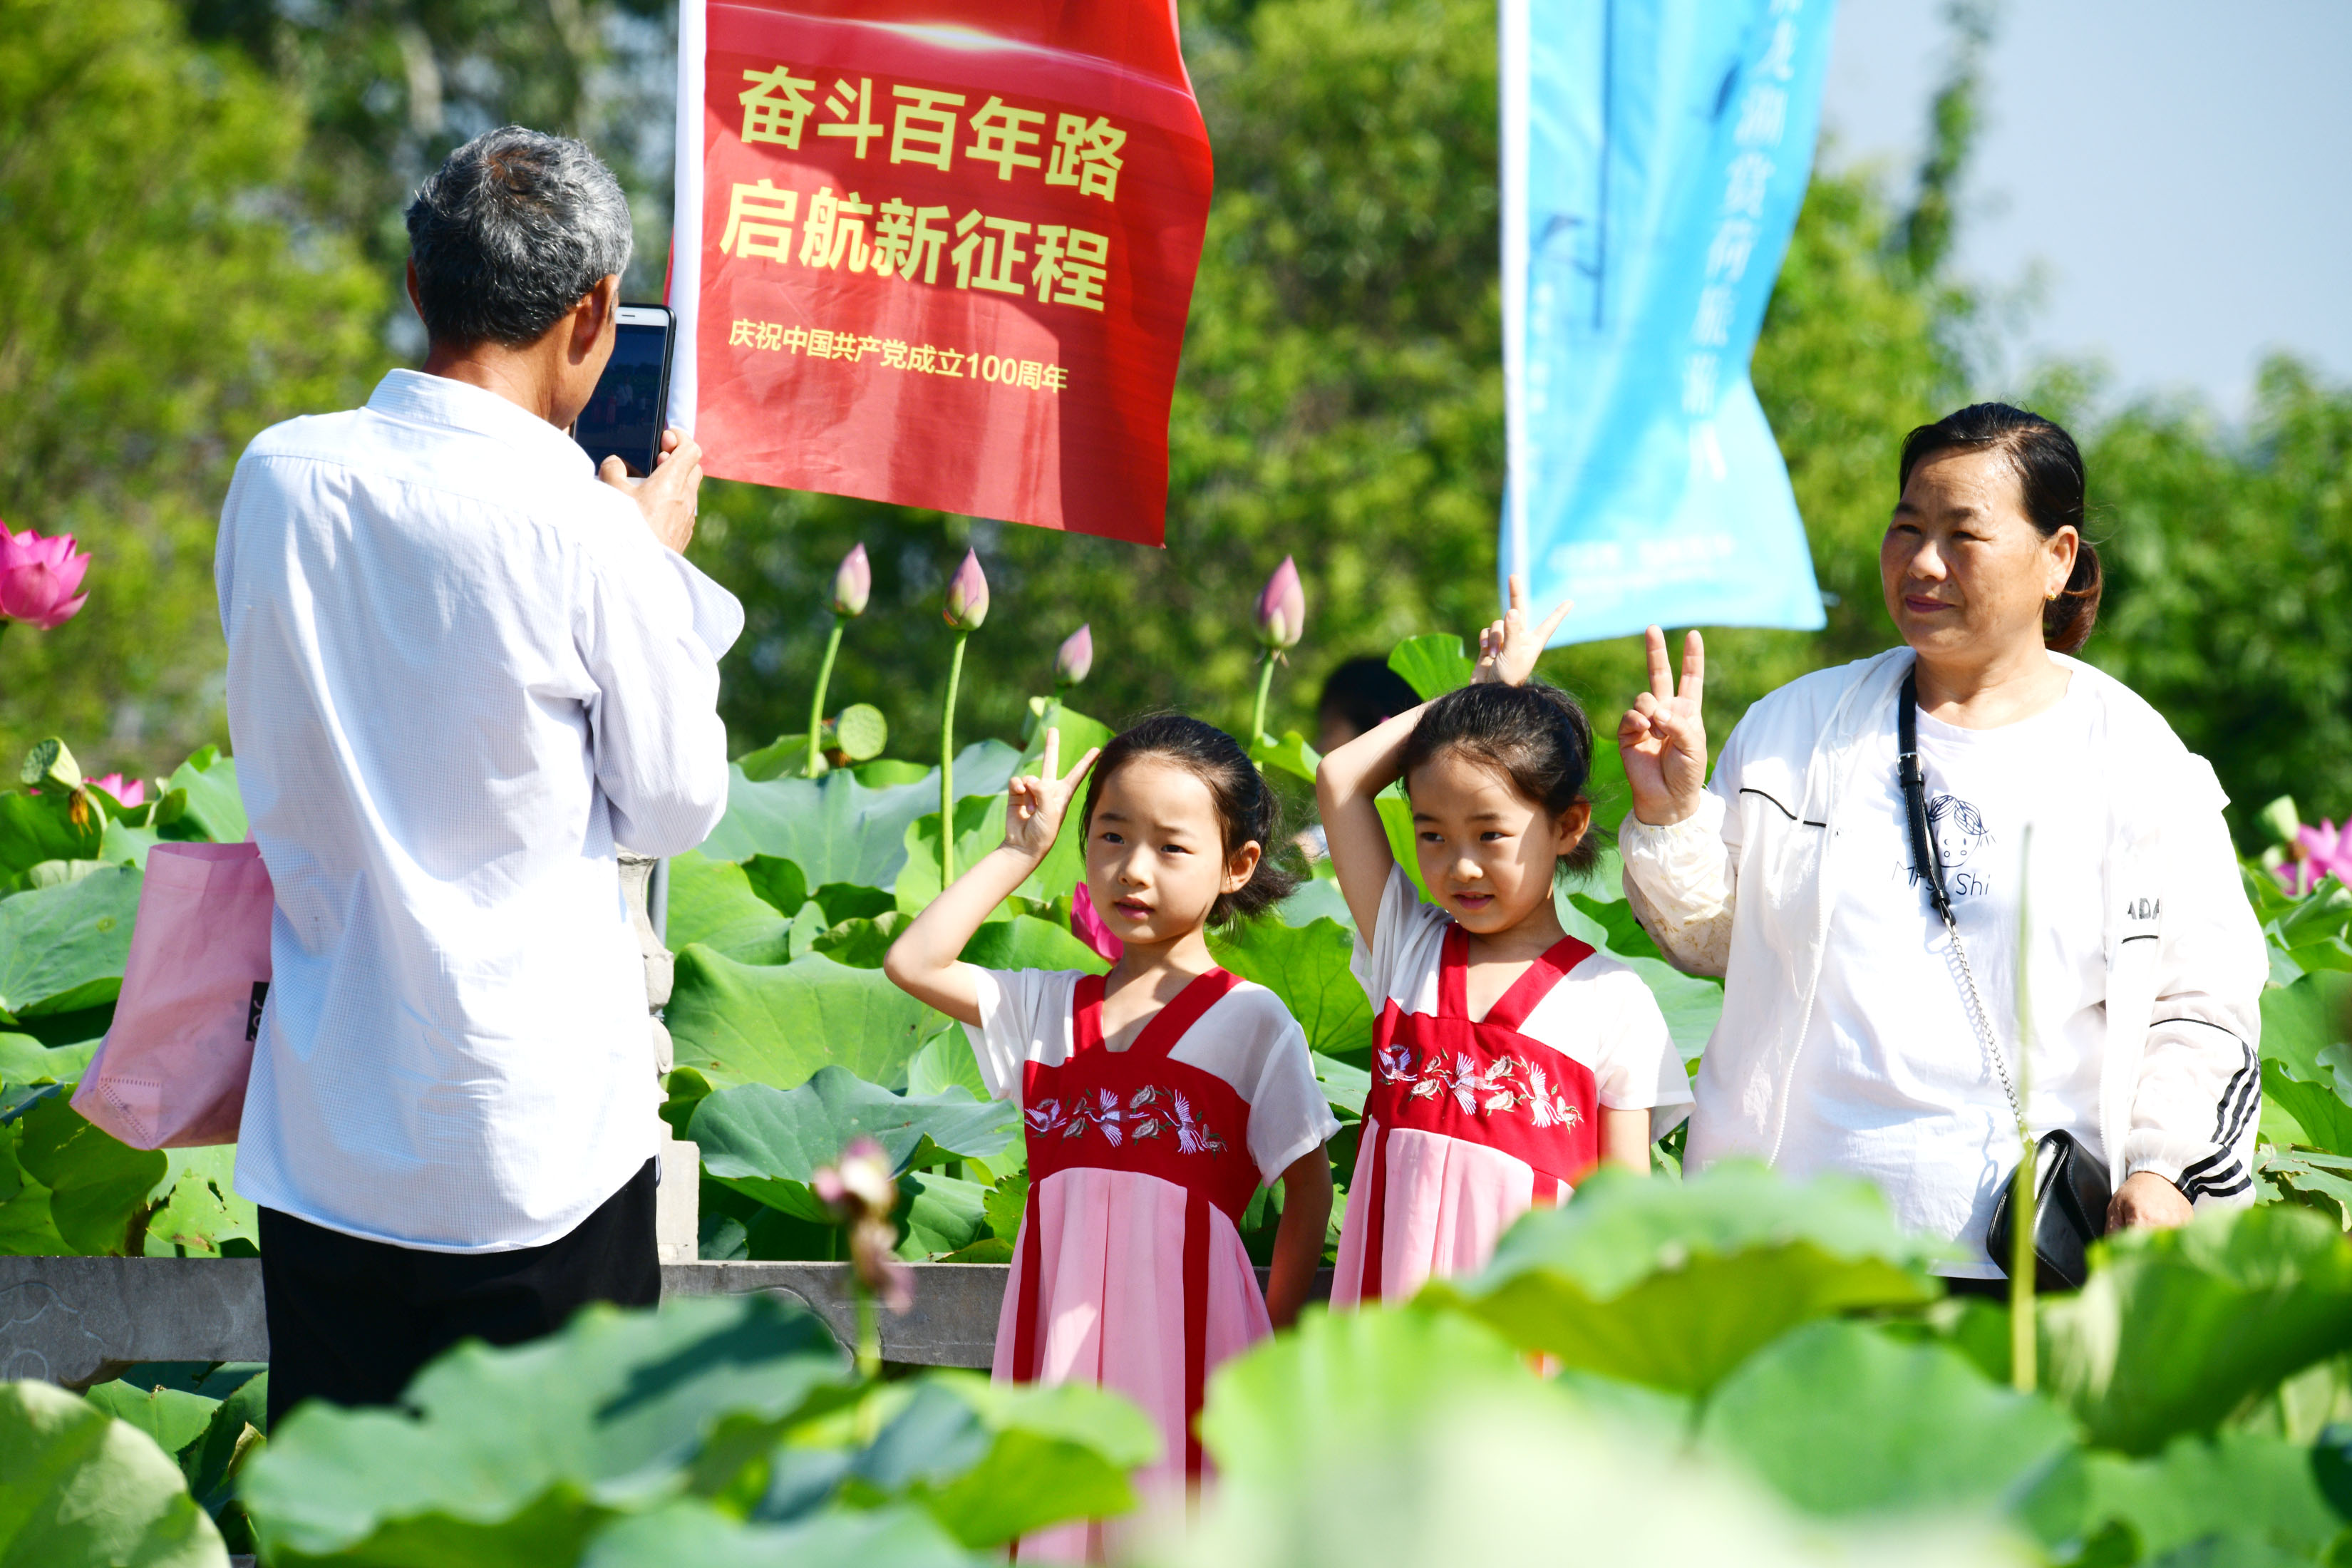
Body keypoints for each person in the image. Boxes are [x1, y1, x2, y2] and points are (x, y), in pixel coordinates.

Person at [215, 126, 741, 1426]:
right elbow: (675, 802)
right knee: (551, 1510)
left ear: (418, 283)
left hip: (329, 1121)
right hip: (535, 1138)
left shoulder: (277, 474)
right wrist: (652, 563)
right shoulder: (586, 530)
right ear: (594, 312)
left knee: (347, 1512)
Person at [1616, 403, 2265, 1286]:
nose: (1924, 563)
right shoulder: (1793, 731)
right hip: (1791, 1252)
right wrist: (1671, 813)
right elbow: (1712, 943)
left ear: (2057, 557)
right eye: (1907, 529)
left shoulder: (2141, 766)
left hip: (2024, 1266)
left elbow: (2204, 1003)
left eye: (1963, 535)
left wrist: (2163, 1169)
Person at [885, 719, 1336, 1557]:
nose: (1132, 868)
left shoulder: (1253, 1020)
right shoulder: (1045, 1008)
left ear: (1238, 865)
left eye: (1171, 846)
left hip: (1199, 1345)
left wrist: (1265, 1342)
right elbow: (914, 962)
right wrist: (1019, 851)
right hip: (1059, 1340)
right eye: (1112, 835)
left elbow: (1308, 1188)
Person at [1316, 579, 1690, 1306]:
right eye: (1432, 835)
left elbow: (1625, 1222)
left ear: (1568, 825)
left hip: (1529, 1343)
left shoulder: (1614, 1000)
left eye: (1490, 834)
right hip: (1388, 1338)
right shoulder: (1408, 948)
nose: (1460, 865)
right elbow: (1339, 780)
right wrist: (1477, 694)